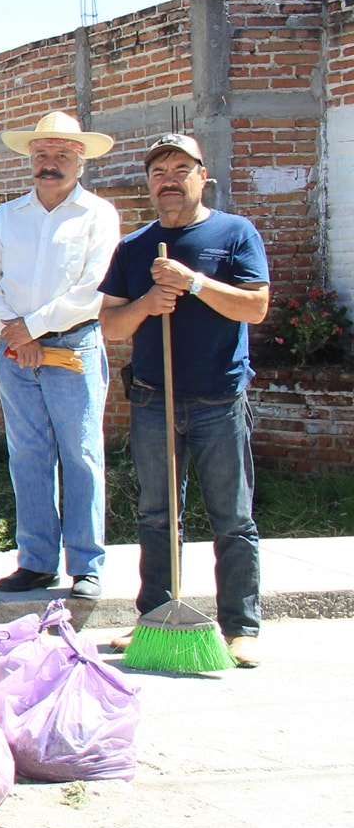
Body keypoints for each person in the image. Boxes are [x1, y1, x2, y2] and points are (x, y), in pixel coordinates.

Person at [99, 132, 271, 668]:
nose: (168, 179)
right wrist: (151, 300)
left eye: (180, 169)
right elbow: (111, 325)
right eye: (158, 172)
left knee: (232, 517)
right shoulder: (133, 247)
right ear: (149, 184)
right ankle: (155, 617)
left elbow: (256, 308)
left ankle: (241, 626)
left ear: (202, 176)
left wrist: (191, 282)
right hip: (154, 399)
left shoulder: (235, 233)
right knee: (156, 514)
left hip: (219, 398)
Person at [0, 111, 121, 600]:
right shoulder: (6, 216)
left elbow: (92, 289)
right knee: (29, 454)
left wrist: (28, 329)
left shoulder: (98, 214)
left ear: (79, 161)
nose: (50, 164)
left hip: (72, 347)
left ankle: (87, 565)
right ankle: (36, 561)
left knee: (80, 454)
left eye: (61, 155)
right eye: (41, 155)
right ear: (30, 160)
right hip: (16, 355)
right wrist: (19, 336)